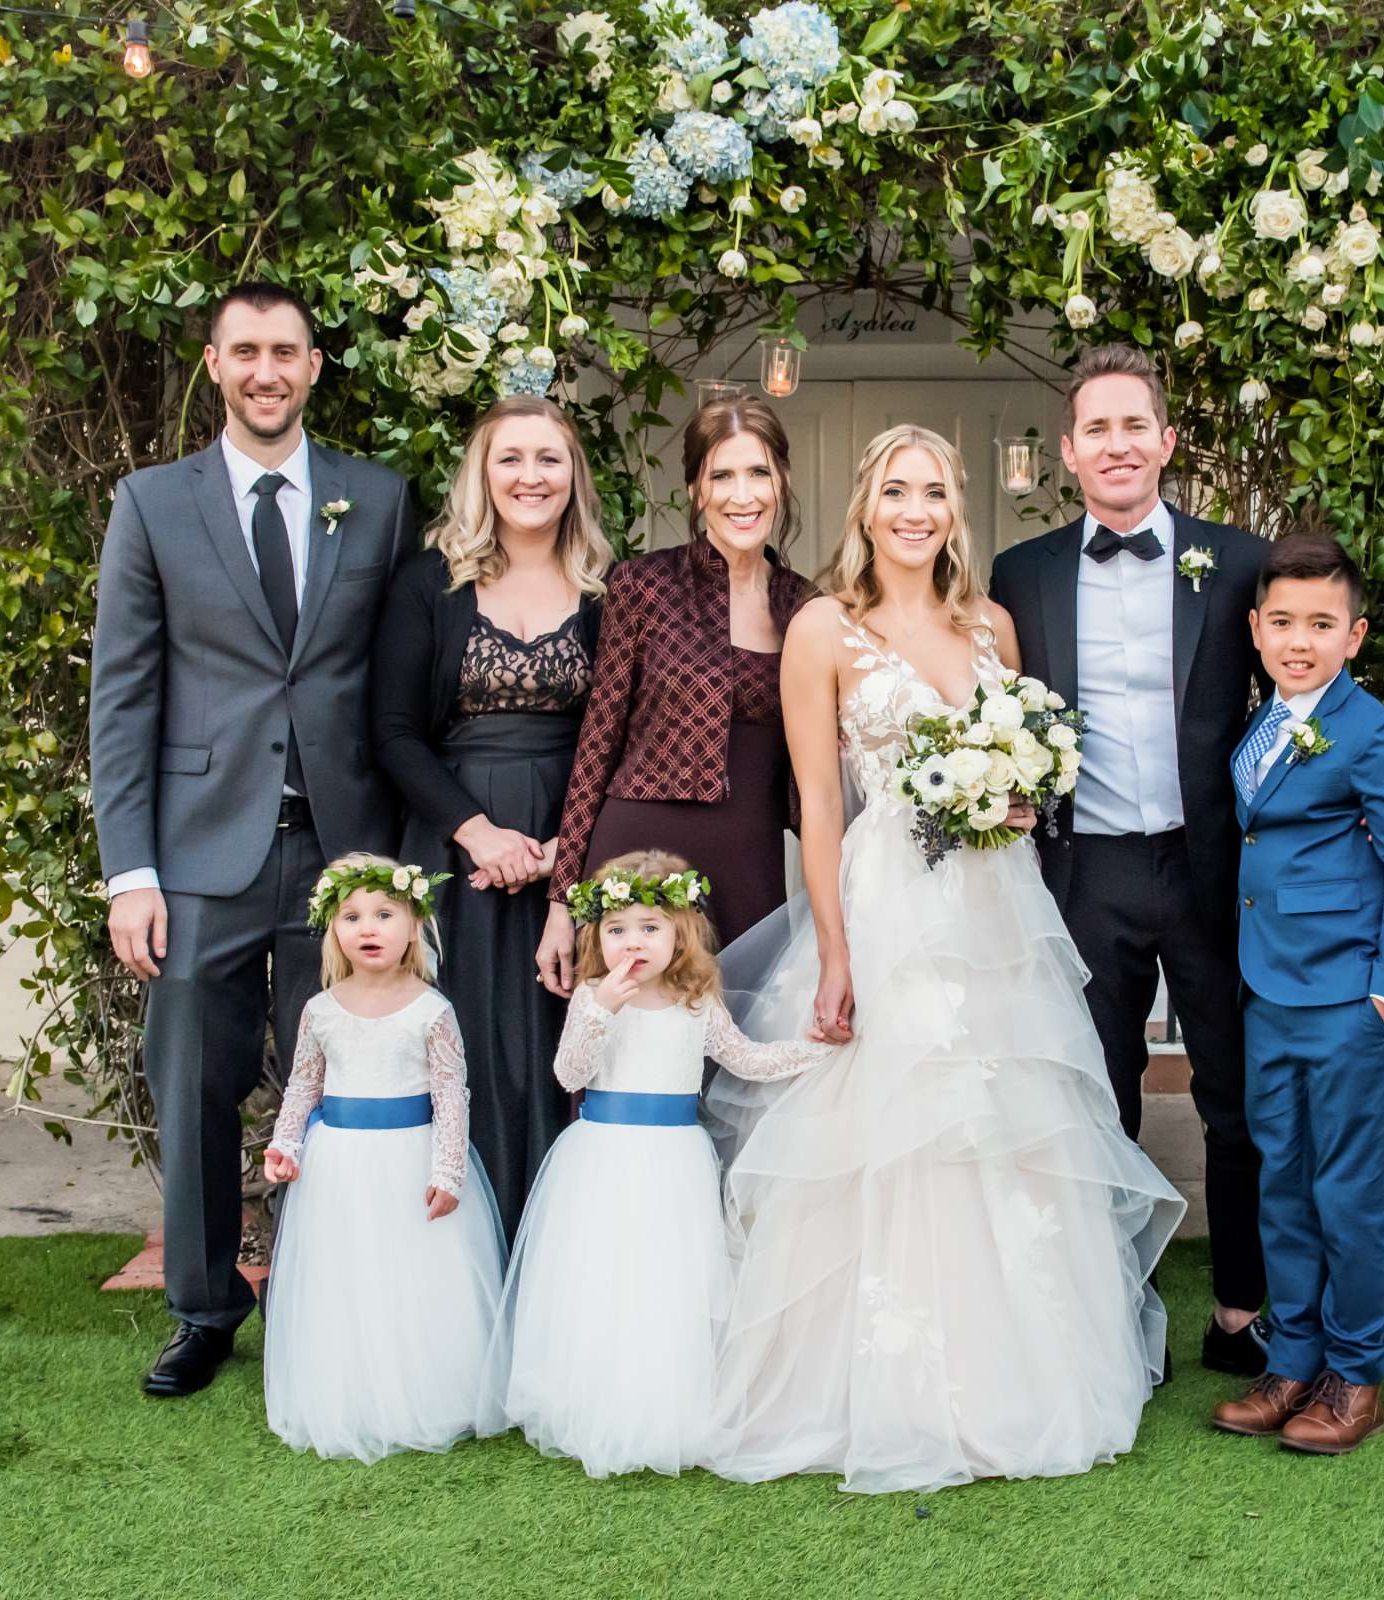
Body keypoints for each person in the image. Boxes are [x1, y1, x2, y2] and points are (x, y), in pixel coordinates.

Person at [705, 425, 1185, 1494]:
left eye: (932, 493)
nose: (914, 511)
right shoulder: (823, 629)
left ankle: (1015, 1376)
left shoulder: (993, 627)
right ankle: (874, 1388)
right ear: (865, 509)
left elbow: (1022, 770)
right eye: (894, 492)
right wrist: (833, 951)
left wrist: (1015, 797)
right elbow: (818, 807)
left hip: (990, 904)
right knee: (885, 1119)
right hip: (882, 902)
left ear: (953, 510)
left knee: (1001, 1124)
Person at [89, 282, 417, 1399]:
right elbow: (123, 697)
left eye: (286, 351)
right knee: (195, 1085)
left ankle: (318, 1296)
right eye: (246, 352)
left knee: (336, 1082)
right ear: (216, 365)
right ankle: (203, 1308)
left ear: (316, 365)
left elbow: (397, 680)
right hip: (197, 857)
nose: (267, 370)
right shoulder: (152, 503)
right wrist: (130, 870)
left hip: (344, 855)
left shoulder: (376, 500)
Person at [989, 344, 1274, 1378]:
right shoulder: (1019, 575)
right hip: (1086, 870)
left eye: (1132, 424)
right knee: (1096, 1095)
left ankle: (1242, 1308)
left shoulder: (1239, 562)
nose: (1116, 444)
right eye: (1095, 428)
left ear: (1166, 440)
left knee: (1234, 1096)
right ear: (1069, 451)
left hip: (1212, 868)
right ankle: (1115, 1307)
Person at [484, 852, 835, 1479]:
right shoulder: (593, 995)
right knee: (603, 1276)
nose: (632, 942)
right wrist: (601, 1010)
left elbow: (745, 1060)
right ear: (596, 935)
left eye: (649, 927)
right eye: (616, 929)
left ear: (681, 932)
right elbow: (570, 1074)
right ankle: (593, 1398)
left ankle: (665, 1401)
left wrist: (812, 1055)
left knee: (668, 1279)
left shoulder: (696, 1001)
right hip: (603, 1158)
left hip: (674, 1160)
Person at [1207, 535, 1384, 1456]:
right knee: (1285, 1185)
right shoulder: (1260, 725)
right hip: (1269, 992)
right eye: (1282, 622)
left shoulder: (1377, 735)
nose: (1298, 640)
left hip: (1351, 1000)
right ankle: (1294, 1357)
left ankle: (1357, 1373)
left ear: (1355, 635)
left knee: (1348, 1191)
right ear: (1255, 629)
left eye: (1320, 624)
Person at [371, 396, 608, 1235]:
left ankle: (553, 1264)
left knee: (555, 1052)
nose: (530, 477)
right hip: (455, 849)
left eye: (549, 459)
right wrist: (477, 830)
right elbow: (393, 732)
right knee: (466, 1051)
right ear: (482, 473)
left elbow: (616, 732)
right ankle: (463, 1257)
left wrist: (562, 854)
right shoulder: (429, 580)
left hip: (568, 840)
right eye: (510, 458)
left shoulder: (605, 588)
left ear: (573, 475)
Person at [536, 395, 816, 989]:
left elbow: (816, 770)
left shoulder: (806, 607)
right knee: (628, 1052)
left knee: (744, 1052)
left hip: (749, 861)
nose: (743, 495)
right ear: (695, 490)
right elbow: (597, 744)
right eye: (722, 476)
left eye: (759, 473)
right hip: (636, 852)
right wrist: (562, 902)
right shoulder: (644, 585)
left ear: (782, 482)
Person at [261, 855, 505, 1462]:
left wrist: (448, 1170)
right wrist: (285, 1144)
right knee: (348, 1277)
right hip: (338, 1166)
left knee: (411, 1276)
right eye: (351, 916)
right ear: (332, 929)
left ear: (414, 924)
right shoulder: (320, 1009)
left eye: (384, 914)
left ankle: (425, 1392)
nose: (368, 927)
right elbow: (302, 1087)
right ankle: (351, 1394)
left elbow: (452, 1096)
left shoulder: (431, 1010)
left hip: (411, 1162)